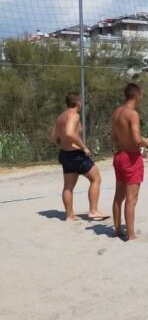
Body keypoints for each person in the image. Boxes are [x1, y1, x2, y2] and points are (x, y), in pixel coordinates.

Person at [50, 92, 109, 222]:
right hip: (76, 155)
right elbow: (70, 133)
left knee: (68, 186)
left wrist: (65, 144)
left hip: (65, 154)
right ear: (77, 103)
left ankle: (69, 215)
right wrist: (83, 147)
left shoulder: (61, 116)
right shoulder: (74, 115)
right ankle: (93, 211)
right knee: (96, 179)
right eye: (81, 101)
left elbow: (54, 137)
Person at [111, 83, 148, 241]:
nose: (142, 97)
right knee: (131, 199)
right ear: (137, 95)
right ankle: (131, 235)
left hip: (119, 155)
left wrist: (127, 142)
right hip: (131, 158)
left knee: (118, 197)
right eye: (141, 94)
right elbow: (136, 139)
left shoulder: (117, 112)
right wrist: (145, 142)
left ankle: (117, 230)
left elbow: (114, 137)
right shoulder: (132, 114)